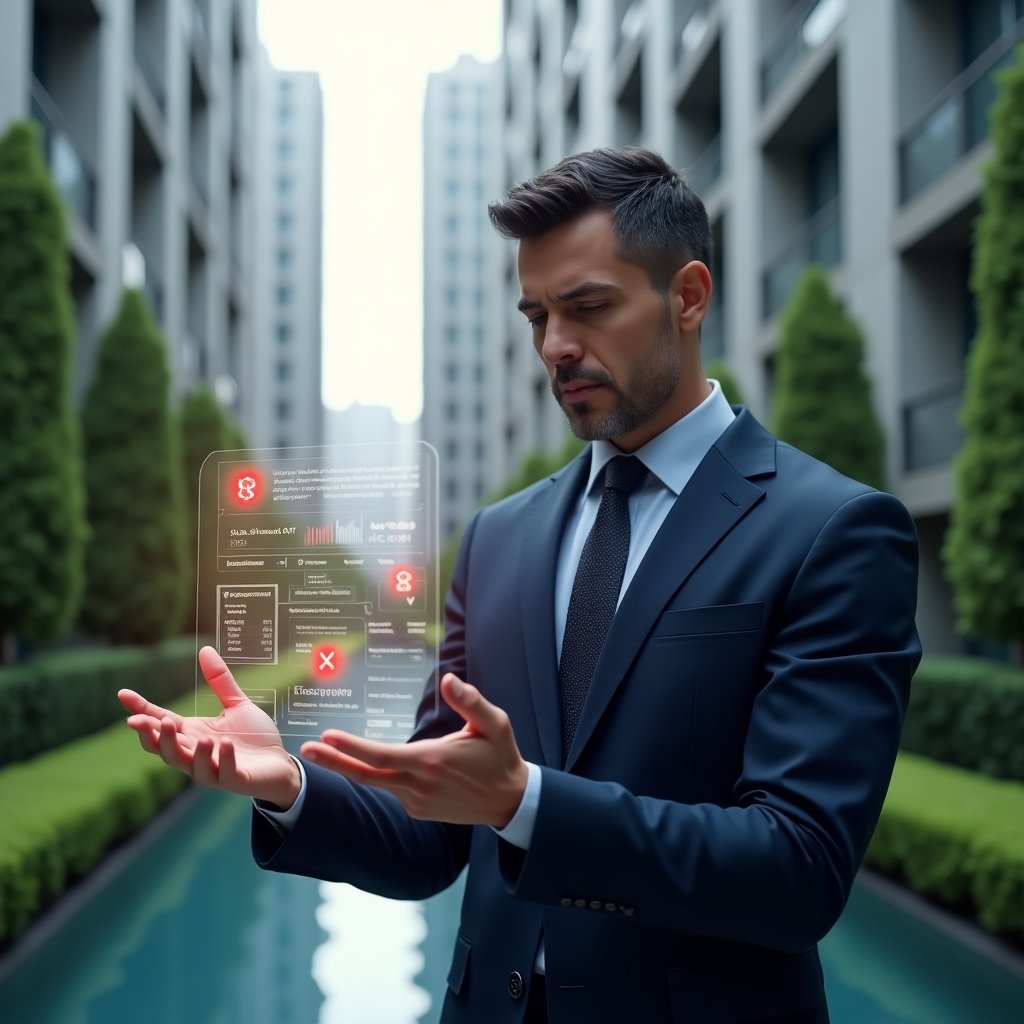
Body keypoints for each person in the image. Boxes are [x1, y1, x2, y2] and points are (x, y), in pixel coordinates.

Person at [120, 146, 921, 1023]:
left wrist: (527, 802)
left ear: (688, 296)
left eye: (587, 308)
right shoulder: (499, 538)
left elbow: (798, 870)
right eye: (536, 315)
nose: (555, 346)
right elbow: (430, 843)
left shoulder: (832, 529)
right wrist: (289, 787)